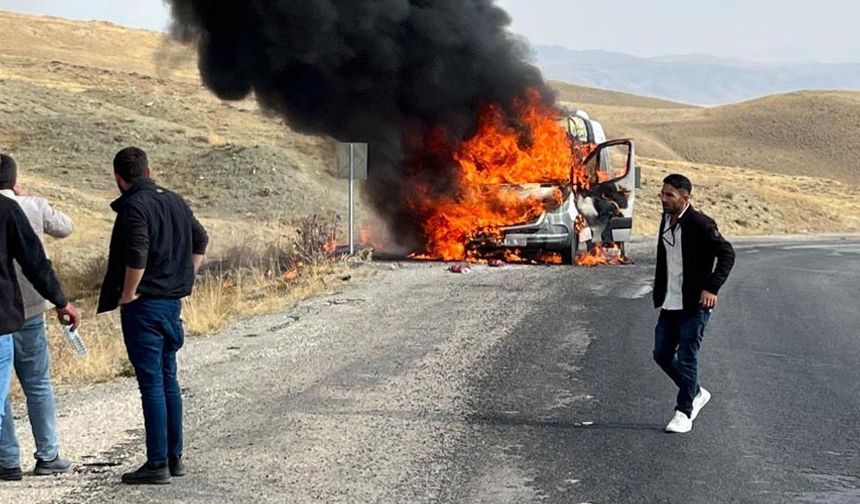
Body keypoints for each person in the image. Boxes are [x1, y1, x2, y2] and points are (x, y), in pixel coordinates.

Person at [97, 147, 208, 485]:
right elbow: (201, 238)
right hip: (171, 304)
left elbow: (137, 253)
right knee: (168, 377)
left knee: (152, 384)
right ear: (149, 170)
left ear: (119, 179)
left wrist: (129, 292)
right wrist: (185, 276)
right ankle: (174, 458)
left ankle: (157, 463)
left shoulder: (134, 206)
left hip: (145, 306)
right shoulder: (174, 200)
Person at [0, 159, 81, 475]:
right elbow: (64, 229)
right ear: (14, 179)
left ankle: (7, 458)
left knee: (3, 389)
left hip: (3, 311)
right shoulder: (28, 205)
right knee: (37, 383)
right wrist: (61, 301)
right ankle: (48, 453)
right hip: (31, 307)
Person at [652, 174, 735, 434]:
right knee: (661, 354)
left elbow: (727, 253)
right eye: (663, 193)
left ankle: (684, 412)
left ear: (685, 198)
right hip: (670, 301)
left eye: (670, 195)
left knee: (687, 356)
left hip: (694, 304)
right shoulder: (666, 220)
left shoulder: (701, 224)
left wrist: (712, 287)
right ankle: (696, 392)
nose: (664, 199)